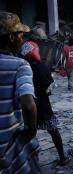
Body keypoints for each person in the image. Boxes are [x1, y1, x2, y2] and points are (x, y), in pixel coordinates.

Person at [21, 29, 69, 166]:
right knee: (53, 131)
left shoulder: (21, 65)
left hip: (26, 106)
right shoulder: (42, 67)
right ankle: (62, 157)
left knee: (29, 133)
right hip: (43, 106)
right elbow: (49, 89)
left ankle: (29, 161)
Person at [0, 12, 40, 173]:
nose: (22, 40)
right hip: (9, 148)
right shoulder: (19, 65)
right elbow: (29, 106)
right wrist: (31, 131)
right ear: (11, 38)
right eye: (21, 35)